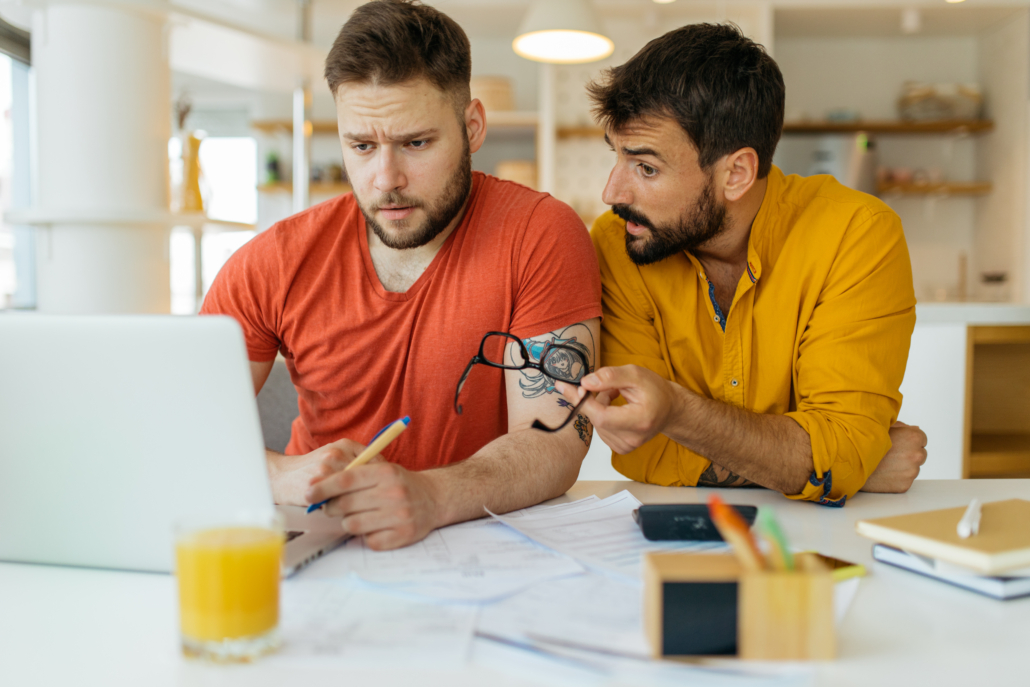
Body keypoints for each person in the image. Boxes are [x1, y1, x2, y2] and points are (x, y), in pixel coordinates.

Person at [201, 0, 601, 549]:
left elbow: (553, 440)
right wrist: (278, 473)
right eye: (361, 146)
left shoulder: (540, 234)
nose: (385, 178)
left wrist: (431, 496)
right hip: (319, 534)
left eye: (416, 143)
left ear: (473, 126)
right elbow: (182, 430)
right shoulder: (272, 261)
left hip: (483, 538)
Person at [556, 23, 927, 506]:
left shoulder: (857, 234)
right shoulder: (616, 242)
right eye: (618, 157)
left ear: (736, 173)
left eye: (646, 168)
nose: (612, 194)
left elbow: (838, 450)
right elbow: (643, 451)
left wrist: (678, 415)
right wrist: (839, 467)